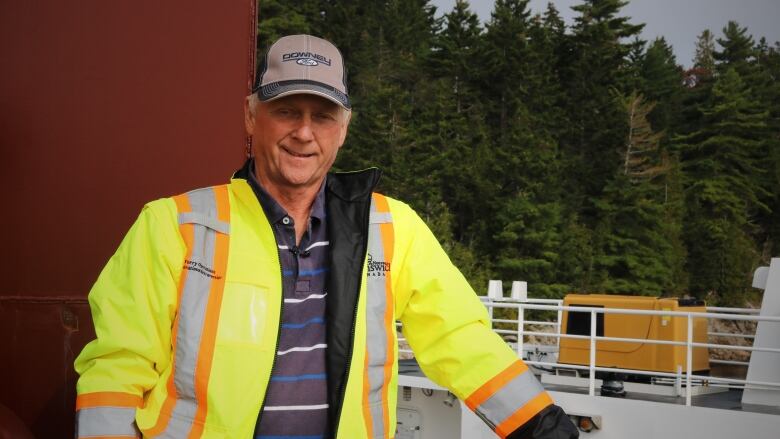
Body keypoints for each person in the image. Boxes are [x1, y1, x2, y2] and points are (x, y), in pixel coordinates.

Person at [74, 34, 579, 439]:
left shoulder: (391, 227)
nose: (304, 133)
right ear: (251, 117)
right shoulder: (174, 225)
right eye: (287, 110)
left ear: (345, 127)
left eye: (323, 115)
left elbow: (461, 339)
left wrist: (542, 425)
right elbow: (119, 366)